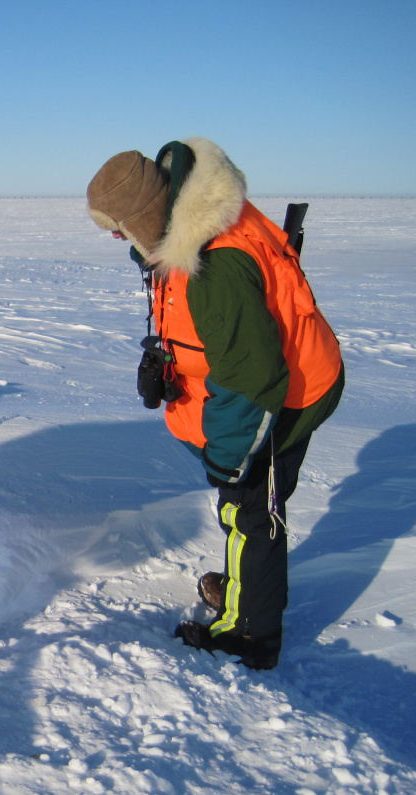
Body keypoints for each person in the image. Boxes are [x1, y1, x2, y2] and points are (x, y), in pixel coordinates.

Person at [85, 137, 344, 670]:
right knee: (242, 504)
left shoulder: (217, 265)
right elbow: (212, 339)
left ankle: (250, 634)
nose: (114, 235)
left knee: (250, 506)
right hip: (265, 378)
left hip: (286, 394)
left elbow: (251, 381)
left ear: (144, 213)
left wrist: (229, 458)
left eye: (117, 224)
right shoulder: (187, 229)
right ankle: (249, 587)